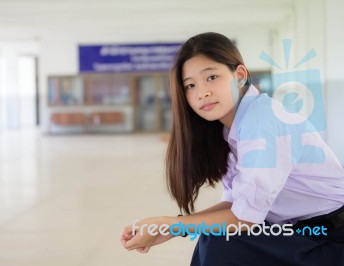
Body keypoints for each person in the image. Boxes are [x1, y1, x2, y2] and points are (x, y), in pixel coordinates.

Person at [120, 32, 344, 265]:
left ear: (239, 75)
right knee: (214, 234)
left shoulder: (262, 121)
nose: (201, 92)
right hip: (295, 233)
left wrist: (169, 224)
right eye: (190, 85)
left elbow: (244, 219)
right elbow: (237, 205)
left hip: (328, 239)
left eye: (212, 77)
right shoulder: (229, 130)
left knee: (220, 241)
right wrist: (173, 227)